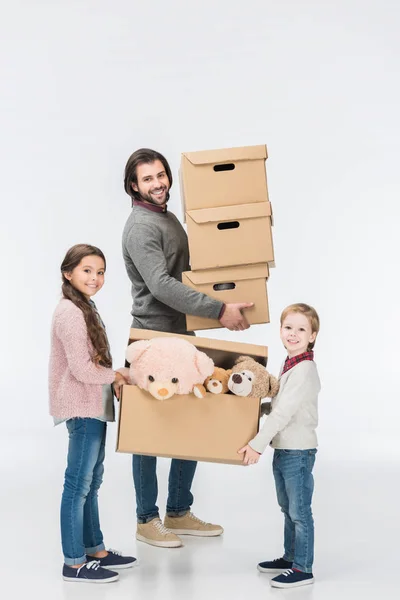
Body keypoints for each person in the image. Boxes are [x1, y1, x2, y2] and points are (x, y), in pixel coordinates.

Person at [122, 148, 254, 548]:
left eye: (161, 175)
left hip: (182, 333)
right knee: (147, 432)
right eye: (148, 179)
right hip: (152, 336)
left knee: (190, 423)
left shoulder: (167, 217)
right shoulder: (141, 227)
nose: (158, 183)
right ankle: (147, 520)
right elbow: (161, 286)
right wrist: (218, 310)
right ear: (133, 186)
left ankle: (178, 511)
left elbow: (191, 269)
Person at [49, 244, 136, 583]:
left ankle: (94, 549)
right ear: (68, 272)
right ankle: (74, 562)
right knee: (77, 485)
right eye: (87, 270)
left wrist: (112, 377)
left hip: (93, 406)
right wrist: (117, 374)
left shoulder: (84, 307)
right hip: (81, 406)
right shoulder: (69, 312)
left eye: (100, 272)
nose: (95, 278)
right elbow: (82, 370)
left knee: (91, 482)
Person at [238, 303, 321, 589]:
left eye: (301, 329)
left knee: (299, 511)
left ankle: (303, 568)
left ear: (312, 335)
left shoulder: (305, 369)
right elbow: (281, 406)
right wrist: (257, 409)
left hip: (298, 451)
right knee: (287, 508)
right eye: (288, 328)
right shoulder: (291, 364)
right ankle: (290, 557)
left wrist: (256, 444)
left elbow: (284, 414)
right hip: (285, 448)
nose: (293, 334)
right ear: (281, 330)